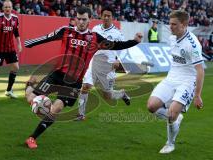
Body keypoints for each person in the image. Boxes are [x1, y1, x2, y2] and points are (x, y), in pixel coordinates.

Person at [24, 6, 142, 149]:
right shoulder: (65, 31)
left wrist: (135, 41)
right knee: (30, 97)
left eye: (84, 19)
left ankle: (32, 138)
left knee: (57, 108)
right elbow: (47, 38)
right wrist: (29, 43)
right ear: (75, 19)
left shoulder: (95, 38)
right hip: (57, 75)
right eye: (78, 19)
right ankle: (29, 86)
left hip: (74, 82)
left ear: (89, 20)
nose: (80, 22)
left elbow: (116, 45)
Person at [147, 10, 204, 154]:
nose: (170, 27)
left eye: (174, 24)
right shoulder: (173, 38)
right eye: (169, 23)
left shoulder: (193, 44)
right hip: (171, 78)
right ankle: (176, 118)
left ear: (184, 24)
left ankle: (170, 143)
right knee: (151, 106)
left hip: (187, 81)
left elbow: (200, 70)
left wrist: (197, 95)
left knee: (171, 114)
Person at [76, 6, 134, 121]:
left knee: (108, 96)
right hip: (93, 63)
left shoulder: (117, 33)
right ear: (101, 16)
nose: (106, 18)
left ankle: (122, 94)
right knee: (85, 87)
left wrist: (118, 59)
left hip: (109, 65)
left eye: (109, 16)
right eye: (104, 15)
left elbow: (124, 48)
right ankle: (81, 114)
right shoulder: (95, 29)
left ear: (112, 17)